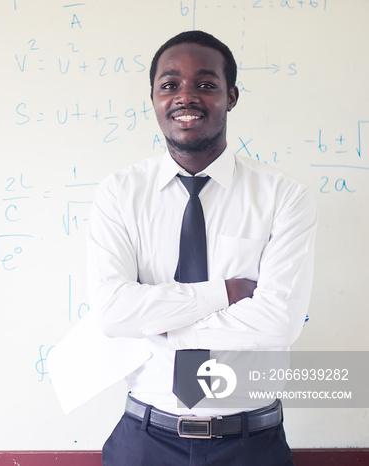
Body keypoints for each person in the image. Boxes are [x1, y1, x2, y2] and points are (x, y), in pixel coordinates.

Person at [87, 31, 317, 465]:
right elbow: (112, 312)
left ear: (231, 96)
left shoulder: (284, 196)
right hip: (145, 441)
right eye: (169, 85)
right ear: (153, 97)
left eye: (206, 84)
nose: (185, 97)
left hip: (250, 444)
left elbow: (278, 323)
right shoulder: (119, 194)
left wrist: (156, 322)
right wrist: (223, 294)